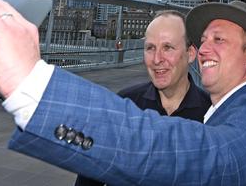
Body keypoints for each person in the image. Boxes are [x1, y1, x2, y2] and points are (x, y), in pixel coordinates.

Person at [0, 0, 246, 185]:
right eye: (204, 38)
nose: (206, 48)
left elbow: (206, 159)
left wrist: (33, 86)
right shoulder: (228, 111)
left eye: (220, 39)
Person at [74, 10, 211, 186]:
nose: (157, 59)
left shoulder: (213, 115)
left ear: (190, 54)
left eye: (168, 47)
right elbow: (89, 178)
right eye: (150, 48)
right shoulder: (123, 105)